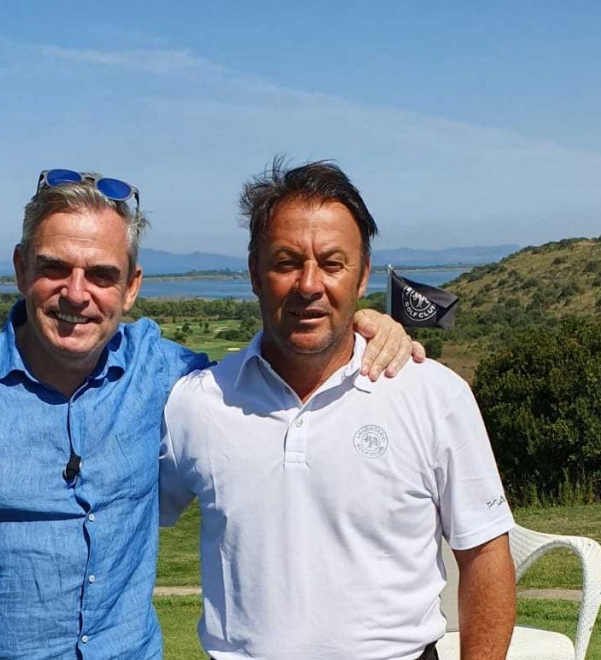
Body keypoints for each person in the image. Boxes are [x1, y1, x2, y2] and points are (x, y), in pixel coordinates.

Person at [0, 168, 423, 659]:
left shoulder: (168, 377)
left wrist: (362, 326)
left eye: (102, 275)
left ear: (131, 288)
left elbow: (280, 355)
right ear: (22, 268)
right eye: (55, 268)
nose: (77, 294)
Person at [160, 160, 517, 660]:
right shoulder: (198, 404)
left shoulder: (434, 396)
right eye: (286, 262)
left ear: (363, 274)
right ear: (254, 274)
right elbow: (123, 520)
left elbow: (484, 558)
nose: (309, 285)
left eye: (332, 263)